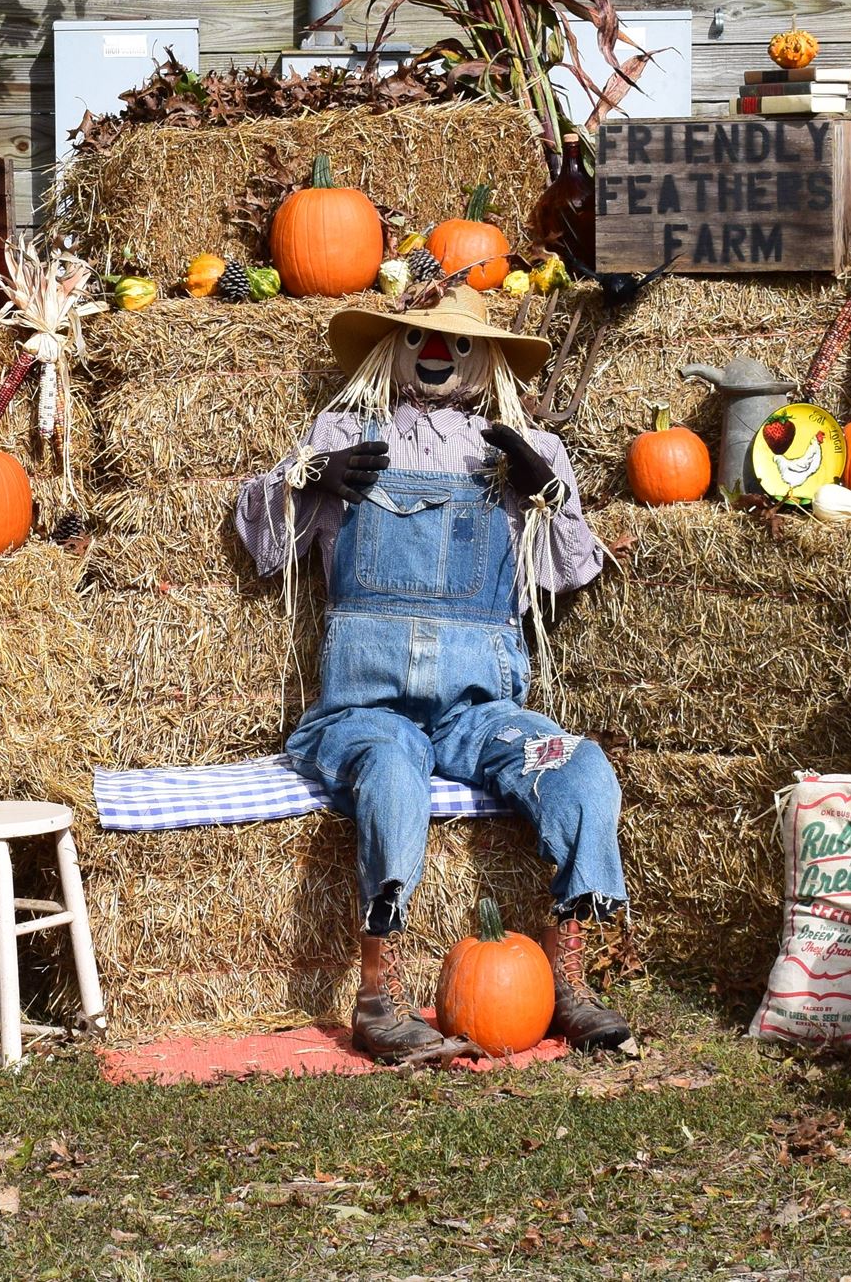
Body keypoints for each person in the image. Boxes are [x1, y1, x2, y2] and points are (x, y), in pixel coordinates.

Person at [234, 285, 635, 1063]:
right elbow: (263, 542)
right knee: (393, 770)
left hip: (480, 714)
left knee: (578, 765)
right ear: (396, 345)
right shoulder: (343, 431)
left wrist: (546, 493)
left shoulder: (525, 448)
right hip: (366, 710)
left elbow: (572, 570)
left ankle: (569, 981)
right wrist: (310, 478)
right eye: (420, 336)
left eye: (456, 342)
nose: (438, 353)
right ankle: (378, 996)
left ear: (484, 358)